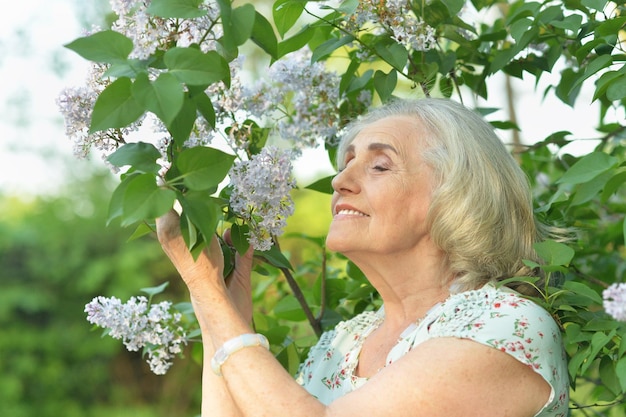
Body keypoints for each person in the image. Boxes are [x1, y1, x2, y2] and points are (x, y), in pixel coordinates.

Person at [156, 97, 569, 417]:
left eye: (380, 166)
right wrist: (222, 308)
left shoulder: (505, 326)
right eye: (348, 161)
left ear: (455, 198)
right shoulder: (342, 343)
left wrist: (208, 292)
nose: (339, 180)